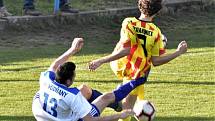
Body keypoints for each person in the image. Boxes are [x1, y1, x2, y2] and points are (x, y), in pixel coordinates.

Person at [88, 0, 188, 121]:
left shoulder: (128, 22)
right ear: (157, 12)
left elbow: (124, 49)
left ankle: (120, 97)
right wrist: (178, 52)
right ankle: (114, 99)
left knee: (131, 106)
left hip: (120, 66)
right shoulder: (156, 32)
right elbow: (156, 61)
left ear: (140, 6)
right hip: (136, 74)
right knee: (125, 112)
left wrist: (102, 60)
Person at [32, 38, 148, 121]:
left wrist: (73, 49)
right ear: (68, 81)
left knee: (85, 90)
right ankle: (138, 81)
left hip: (43, 114)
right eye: (73, 76)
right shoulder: (73, 96)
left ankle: (116, 105)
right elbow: (90, 120)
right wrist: (120, 116)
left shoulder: (46, 79)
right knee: (106, 98)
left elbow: (55, 64)